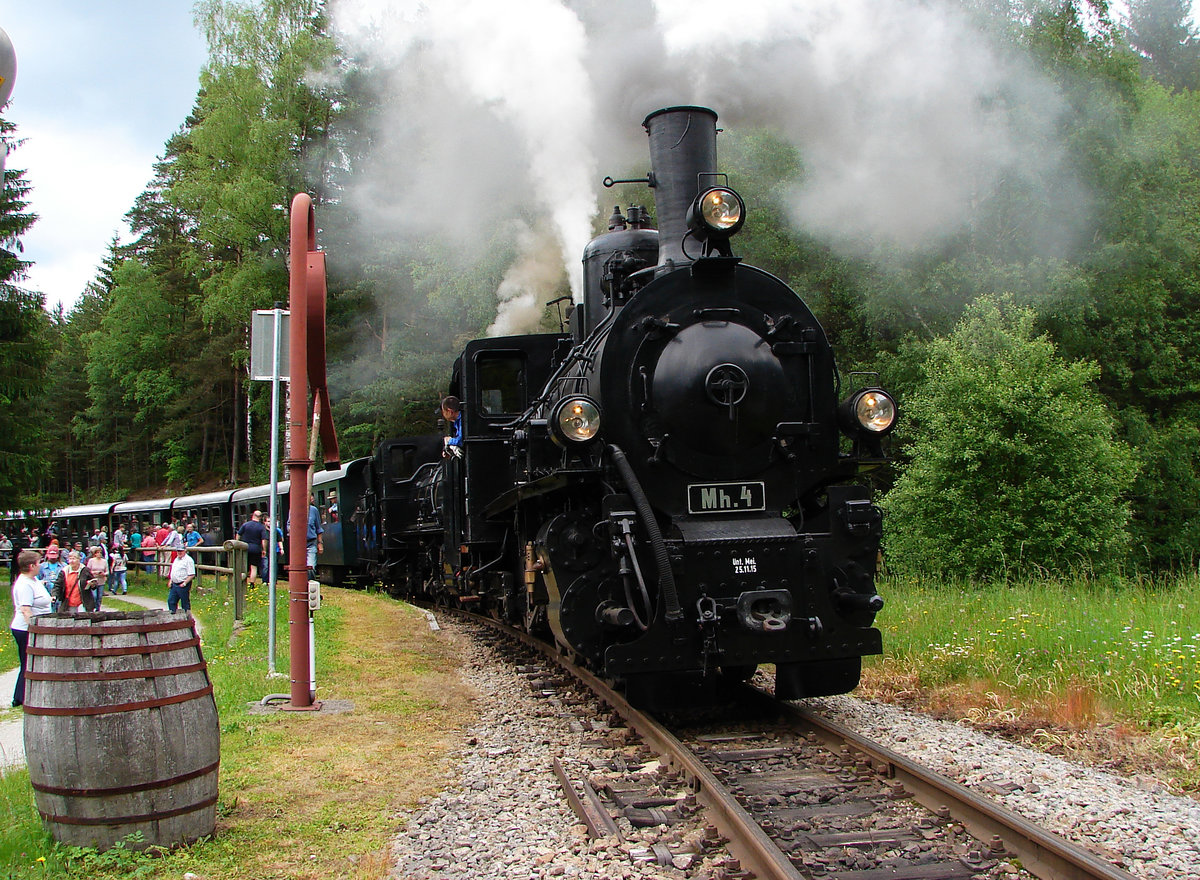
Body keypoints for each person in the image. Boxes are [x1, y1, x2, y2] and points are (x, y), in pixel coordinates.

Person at [10, 550, 53, 707]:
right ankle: (19, 697)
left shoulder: (33, 580)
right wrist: (34, 629)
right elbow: (26, 610)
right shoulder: (24, 584)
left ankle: (25, 694)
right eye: (38, 563)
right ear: (31, 566)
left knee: (32, 662)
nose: (40, 565)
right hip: (24, 629)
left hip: (36, 626)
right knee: (27, 662)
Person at [236, 510, 268, 587]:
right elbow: (264, 540)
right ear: (260, 517)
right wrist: (264, 550)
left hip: (245, 548)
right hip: (256, 549)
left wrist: (237, 544)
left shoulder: (245, 525)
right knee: (254, 567)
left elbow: (238, 534)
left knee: (243, 566)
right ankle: (252, 584)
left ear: (253, 516)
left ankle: (241, 582)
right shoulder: (261, 527)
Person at [167, 542, 195, 614]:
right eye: (178, 551)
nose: (179, 552)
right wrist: (170, 580)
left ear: (185, 551)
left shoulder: (188, 560)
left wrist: (184, 583)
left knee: (185, 603)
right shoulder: (176, 559)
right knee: (171, 601)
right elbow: (174, 571)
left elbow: (192, 574)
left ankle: (187, 618)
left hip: (182, 584)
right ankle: (173, 616)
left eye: (181, 551)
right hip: (174, 584)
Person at [38, 546, 64, 613]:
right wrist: (41, 582)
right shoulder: (41, 566)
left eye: (54, 557)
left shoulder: (64, 566)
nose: (52, 559)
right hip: (46, 593)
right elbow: (36, 580)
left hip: (60, 593)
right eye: (51, 557)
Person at [305, 493, 324, 576]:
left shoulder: (314, 510)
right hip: (299, 545)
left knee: (311, 566)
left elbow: (318, 528)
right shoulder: (294, 510)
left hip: (311, 542)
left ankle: (310, 581)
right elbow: (289, 526)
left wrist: (320, 543)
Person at [85, 547, 108, 612]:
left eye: (100, 552)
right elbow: (87, 570)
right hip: (94, 580)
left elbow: (107, 571)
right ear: (95, 554)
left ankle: (98, 609)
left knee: (99, 596)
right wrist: (94, 572)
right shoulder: (91, 561)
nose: (99, 554)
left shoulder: (104, 561)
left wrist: (104, 574)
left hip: (101, 580)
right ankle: (93, 607)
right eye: (97, 552)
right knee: (94, 596)